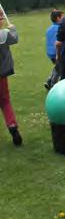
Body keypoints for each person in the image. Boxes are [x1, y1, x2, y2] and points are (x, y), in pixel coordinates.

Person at [0, 13, 22, 146]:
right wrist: (13, 28)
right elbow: (15, 39)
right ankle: (12, 126)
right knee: (5, 102)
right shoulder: (4, 34)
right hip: (2, 74)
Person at [44, 9, 64, 90]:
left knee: (57, 67)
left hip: (50, 54)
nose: (64, 18)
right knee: (60, 70)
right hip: (57, 53)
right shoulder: (60, 28)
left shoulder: (49, 29)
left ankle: (49, 81)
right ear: (58, 18)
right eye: (63, 17)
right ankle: (52, 86)